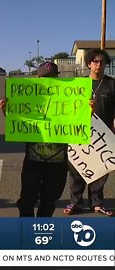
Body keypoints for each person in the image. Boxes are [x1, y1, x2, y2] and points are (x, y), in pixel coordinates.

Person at [0, 62, 71, 217]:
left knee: (49, 201)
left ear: (58, 78)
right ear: (38, 78)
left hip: (58, 163)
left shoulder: (69, 99)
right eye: (44, 78)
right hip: (33, 162)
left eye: (52, 77)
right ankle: (26, 232)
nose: (48, 81)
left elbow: (78, 125)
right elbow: (18, 124)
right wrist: (7, 111)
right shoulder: (29, 97)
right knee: (26, 200)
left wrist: (88, 111)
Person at [64, 48, 115, 217]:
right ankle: (75, 203)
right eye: (95, 61)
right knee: (77, 170)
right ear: (88, 64)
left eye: (102, 62)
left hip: (103, 136)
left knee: (100, 170)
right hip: (80, 133)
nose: (99, 65)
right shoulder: (78, 85)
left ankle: (97, 203)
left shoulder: (112, 84)